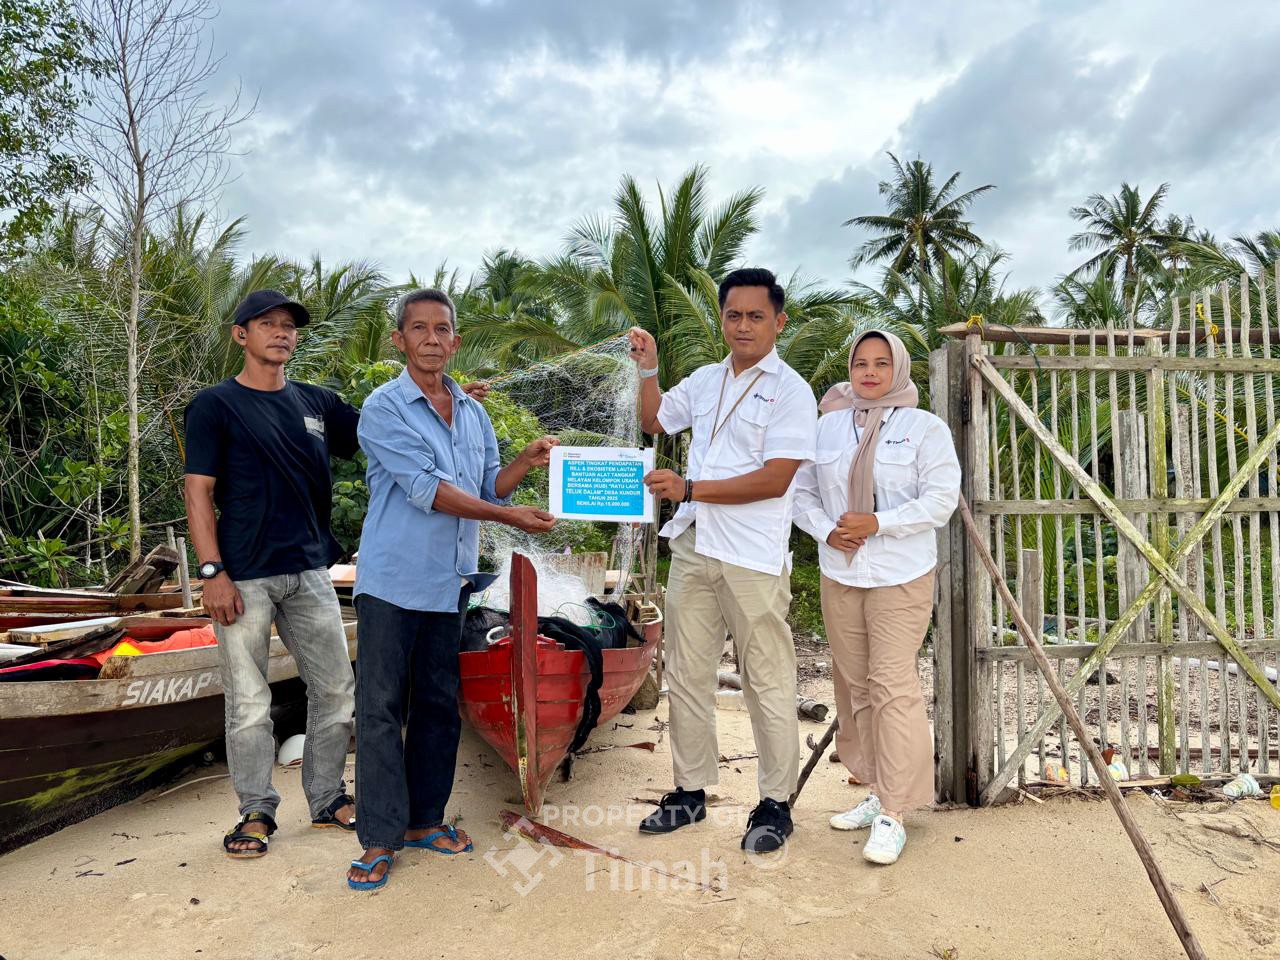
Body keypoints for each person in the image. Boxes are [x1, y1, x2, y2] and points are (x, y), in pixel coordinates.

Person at [346, 288, 558, 891]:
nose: (432, 338)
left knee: (439, 706)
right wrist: (510, 519)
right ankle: (380, 838)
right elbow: (429, 489)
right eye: (420, 328)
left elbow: (489, 484)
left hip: (449, 583)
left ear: (455, 340)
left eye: (443, 328)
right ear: (401, 340)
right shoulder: (383, 409)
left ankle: (423, 821)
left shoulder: (472, 411)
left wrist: (527, 459)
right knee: (381, 709)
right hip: (391, 581)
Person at [629, 267, 817, 854]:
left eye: (756, 316)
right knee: (685, 673)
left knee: (767, 678)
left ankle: (774, 803)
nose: (743, 325)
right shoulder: (707, 381)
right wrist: (649, 368)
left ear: (778, 322)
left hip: (753, 555)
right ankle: (689, 792)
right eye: (733, 315)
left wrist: (691, 489)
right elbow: (654, 419)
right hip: (694, 546)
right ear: (722, 318)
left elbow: (775, 478)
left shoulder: (791, 390)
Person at [184, 290, 361, 859]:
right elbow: (199, 491)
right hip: (242, 577)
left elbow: (384, 432)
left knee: (335, 690)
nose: (281, 333)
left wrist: (444, 399)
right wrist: (212, 571)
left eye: (289, 326)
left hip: (310, 571)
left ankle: (328, 798)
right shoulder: (215, 405)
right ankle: (256, 810)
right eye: (267, 324)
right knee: (249, 701)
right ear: (241, 335)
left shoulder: (318, 403)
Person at [792, 329, 960, 865]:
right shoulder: (827, 426)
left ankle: (897, 811)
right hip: (840, 571)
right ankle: (875, 789)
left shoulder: (923, 427)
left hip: (899, 574)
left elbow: (941, 499)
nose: (868, 372)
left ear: (899, 369)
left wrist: (878, 523)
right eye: (860, 362)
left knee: (892, 684)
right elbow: (801, 491)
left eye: (881, 363)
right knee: (855, 687)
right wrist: (825, 530)